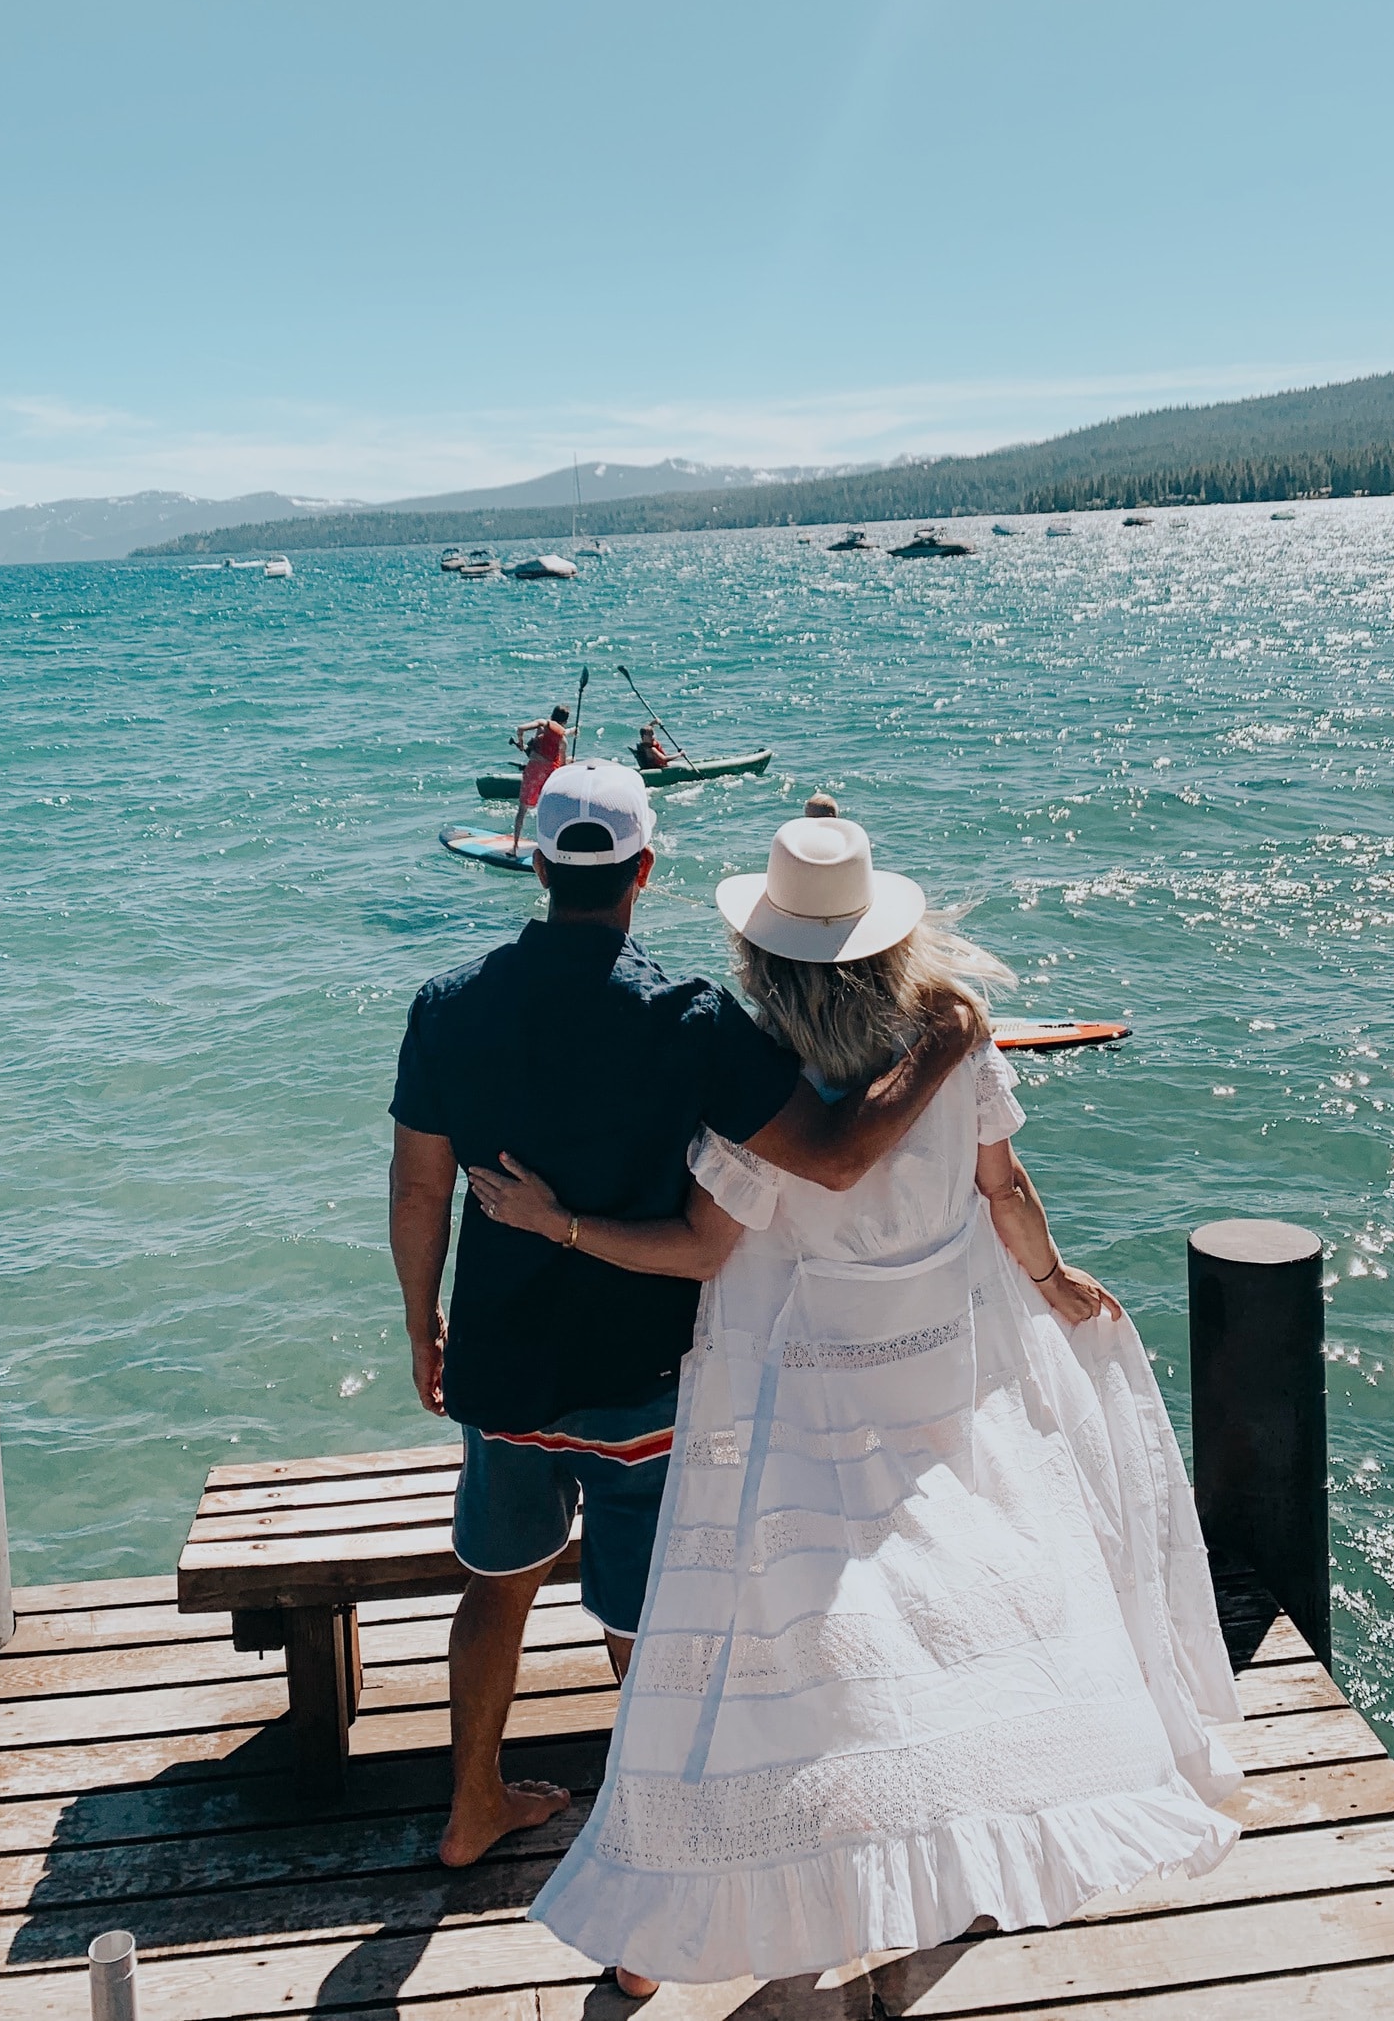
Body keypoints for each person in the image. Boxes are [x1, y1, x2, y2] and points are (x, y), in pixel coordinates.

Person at [469, 813, 1242, 1992]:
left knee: (773, 1657)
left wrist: (556, 1224)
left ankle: (674, 1921)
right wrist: (1052, 1280)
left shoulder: (756, 1096)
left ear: (759, 961)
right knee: (954, 1625)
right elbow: (1005, 1187)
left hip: (794, 1406)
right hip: (936, 1386)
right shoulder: (954, 1053)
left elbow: (694, 1251)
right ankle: (966, 1851)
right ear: (888, 947)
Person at [387, 765, 983, 1874]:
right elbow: (841, 1157)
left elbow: (418, 1187)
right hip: (639, 1377)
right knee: (640, 1619)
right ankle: (650, 1849)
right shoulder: (690, 1017)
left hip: (503, 1366)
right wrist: (947, 1040)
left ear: (536, 862)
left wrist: (422, 1322)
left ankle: (470, 1807)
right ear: (642, 871)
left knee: (495, 1584)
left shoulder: (447, 1005)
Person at [510, 703, 571, 853]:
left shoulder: (541, 724)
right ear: (564, 722)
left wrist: (521, 743)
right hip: (549, 773)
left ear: (552, 716)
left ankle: (514, 846)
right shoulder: (563, 741)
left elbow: (520, 728)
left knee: (522, 809)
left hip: (533, 771)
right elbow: (562, 767)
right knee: (547, 809)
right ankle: (551, 846)